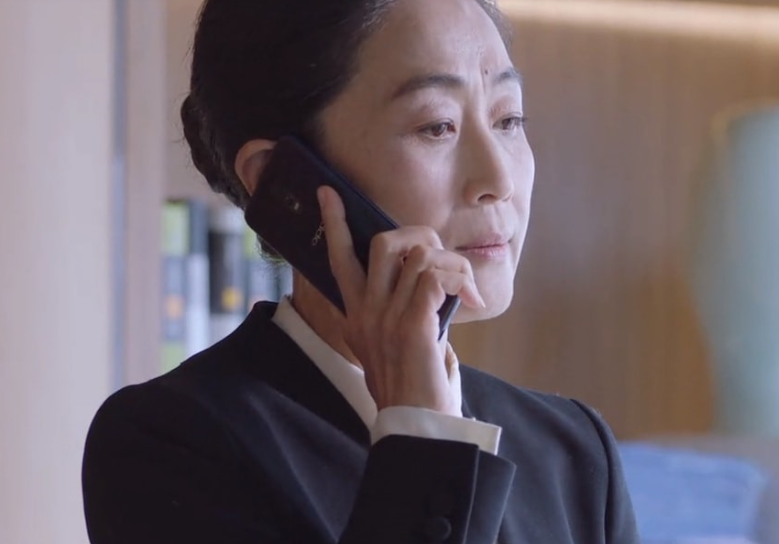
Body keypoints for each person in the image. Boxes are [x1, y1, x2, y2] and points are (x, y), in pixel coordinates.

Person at [82, 0, 641, 542]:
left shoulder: (573, 452)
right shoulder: (168, 440)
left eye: (508, 119)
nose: (498, 179)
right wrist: (423, 430)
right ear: (283, 178)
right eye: (437, 126)